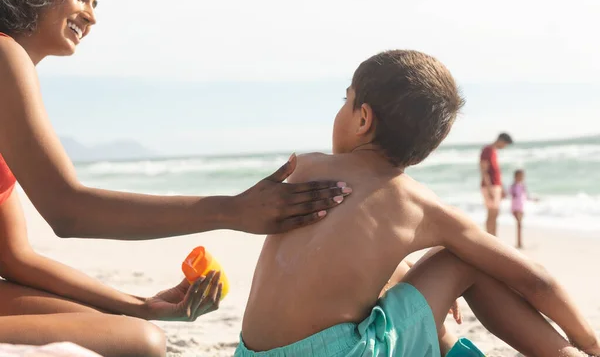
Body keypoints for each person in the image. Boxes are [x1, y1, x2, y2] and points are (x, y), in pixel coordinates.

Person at [0, 0, 351, 356]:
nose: (92, 18)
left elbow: (15, 258)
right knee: (143, 343)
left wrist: (143, 305)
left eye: (96, 3)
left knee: (123, 326)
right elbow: (67, 210)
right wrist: (232, 211)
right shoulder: (4, 53)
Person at [236, 50, 599, 357]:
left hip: (249, 352)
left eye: (345, 100)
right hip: (340, 351)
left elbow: (347, 254)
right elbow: (536, 281)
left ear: (363, 119)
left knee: (406, 295)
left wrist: (416, 275)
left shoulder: (306, 168)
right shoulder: (417, 205)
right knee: (459, 258)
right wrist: (590, 342)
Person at [479, 132, 513, 236]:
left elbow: (496, 172)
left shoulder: (493, 151)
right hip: (490, 186)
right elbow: (484, 170)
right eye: (505, 144)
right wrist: (489, 188)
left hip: (496, 186)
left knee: (495, 213)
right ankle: (490, 238)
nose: (504, 147)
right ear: (501, 140)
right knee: (492, 213)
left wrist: (502, 188)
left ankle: (494, 237)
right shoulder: (487, 150)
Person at [510, 169, 538, 249]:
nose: (522, 178)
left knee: (520, 225)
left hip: (521, 208)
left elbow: (526, 196)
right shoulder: (513, 186)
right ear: (515, 177)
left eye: (522, 176)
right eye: (520, 176)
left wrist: (533, 199)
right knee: (519, 224)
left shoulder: (522, 186)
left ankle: (519, 242)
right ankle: (519, 243)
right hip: (515, 208)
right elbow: (511, 195)